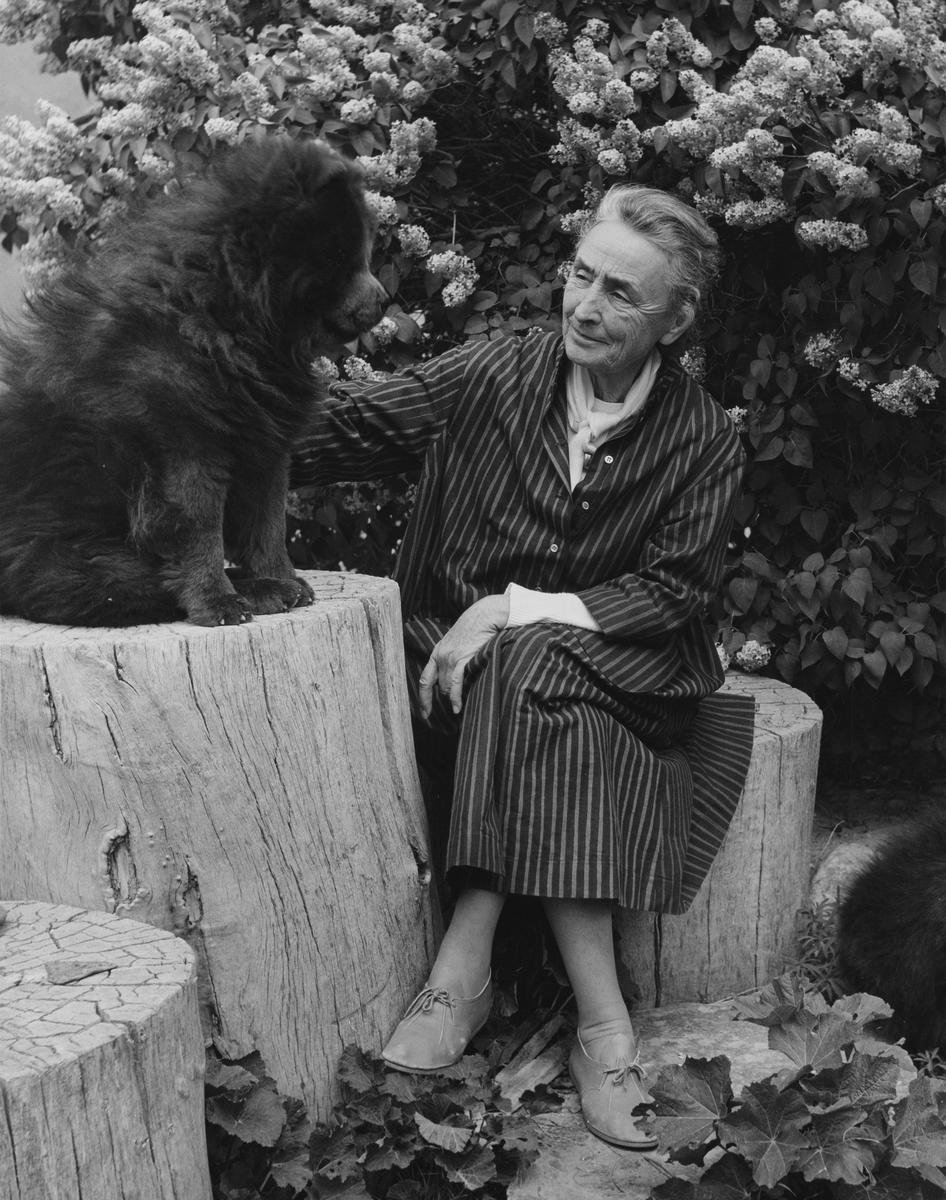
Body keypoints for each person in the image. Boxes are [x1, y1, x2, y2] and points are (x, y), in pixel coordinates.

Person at [292, 184, 755, 1150]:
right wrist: (196, 404)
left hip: (623, 682)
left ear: (675, 321)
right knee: (524, 672)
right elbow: (354, 425)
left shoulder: (702, 436)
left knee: (528, 653)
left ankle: (463, 963)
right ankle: (605, 1032)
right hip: (454, 685)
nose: (586, 305)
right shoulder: (498, 370)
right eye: (581, 275)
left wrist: (509, 608)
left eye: (621, 293)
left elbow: (673, 593)